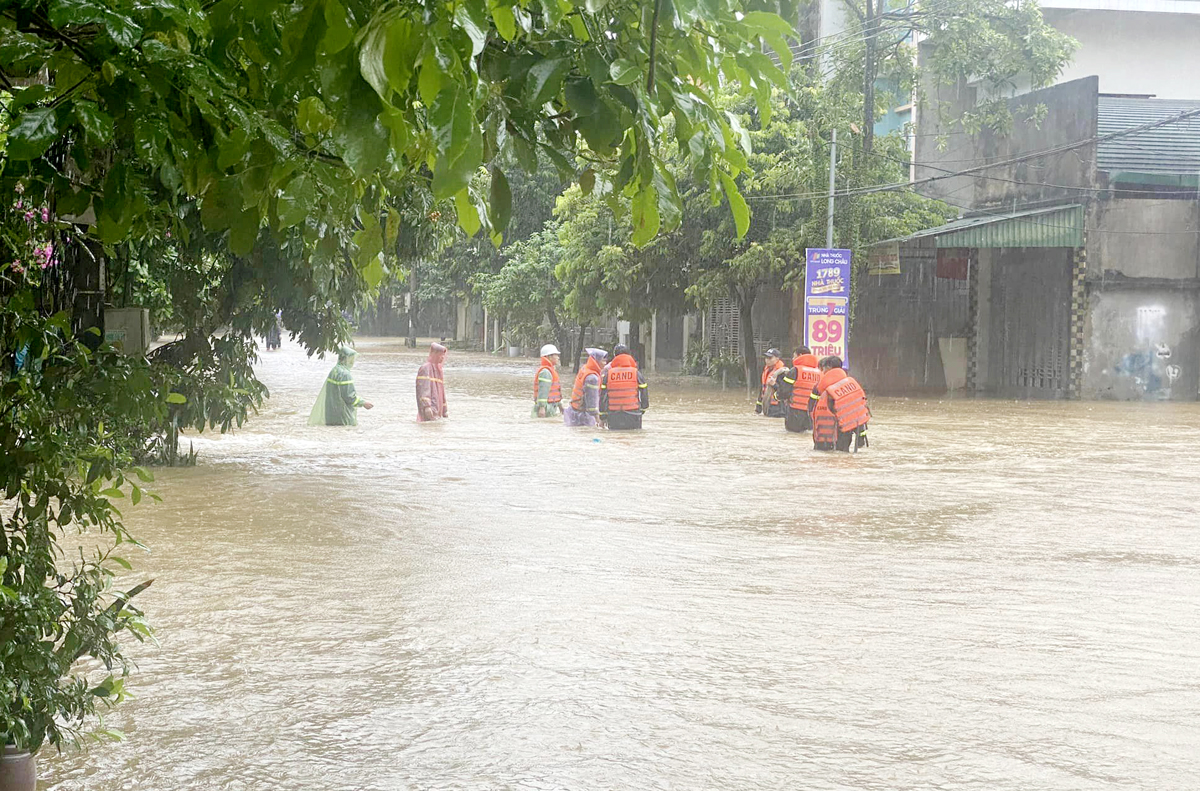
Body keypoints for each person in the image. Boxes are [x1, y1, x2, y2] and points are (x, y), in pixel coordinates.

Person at [809, 356, 870, 452]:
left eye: (824, 368)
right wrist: (861, 436)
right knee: (842, 458)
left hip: (825, 436)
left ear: (828, 367)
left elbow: (811, 409)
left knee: (823, 461)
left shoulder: (819, 387)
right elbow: (858, 412)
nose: (823, 372)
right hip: (845, 434)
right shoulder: (851, 385)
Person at [308, 345, 373, 426]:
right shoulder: (345, 374)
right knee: (345, 433)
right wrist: (363, 403)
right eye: (351, 359)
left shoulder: (334, 370)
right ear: (347, 359)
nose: (352, 362)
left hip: (330, 413)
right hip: (342, 415)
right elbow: (349, 397)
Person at [600, 345, 648, 430]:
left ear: (615, 356)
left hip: (613, 416)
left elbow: (602, 397)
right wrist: (643, 409)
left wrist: (603, 416)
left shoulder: (608, 374)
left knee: (614, 441)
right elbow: (644, 392)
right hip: (633, 415)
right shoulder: (636, 373)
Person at [775, 346, 822, 433]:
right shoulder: (819, 373)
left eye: (794, 356)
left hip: (795, 411)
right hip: (811, 413)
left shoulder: (795, 370)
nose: (793, 358)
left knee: (791, 435)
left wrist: (776, 396)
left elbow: (784, 392)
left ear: (800, 355)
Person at [564, 347, 607, 427]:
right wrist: (598, 419)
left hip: (574, 411)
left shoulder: (585, 369)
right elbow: (592, 403)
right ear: (596, 361)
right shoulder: (592, 378)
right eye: (603, 360)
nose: (605, 363)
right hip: (583, 416)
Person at [416, 342, 449, 422]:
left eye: (443, 355)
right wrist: (426, 406)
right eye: (441, 355)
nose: (442, 357)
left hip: (438, 411)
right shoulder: (425, 368)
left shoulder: (439, 370)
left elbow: (442, 392)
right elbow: (423, 389)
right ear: (435, 354)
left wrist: (445, 410)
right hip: (430, 410)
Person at [532, 344, 563, 418]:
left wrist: (560, 407)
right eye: (556, 355)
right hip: (546, 408)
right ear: (549, 357)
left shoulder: (550, 370)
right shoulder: (545, 372)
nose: (558, 358)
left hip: (550, 406)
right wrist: (542, 408)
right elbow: (543, 391)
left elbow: (555, 393)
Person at [756, 348, 786, 418]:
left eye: (770, 358)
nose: (767, 360)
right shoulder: (766, 370)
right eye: (766, 358)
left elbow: (785, 391)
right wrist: (758, 408)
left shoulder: (783, 373)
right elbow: (762, 390)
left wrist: (774, 385)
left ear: (777, 359)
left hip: (778, 409)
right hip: (767, 407)